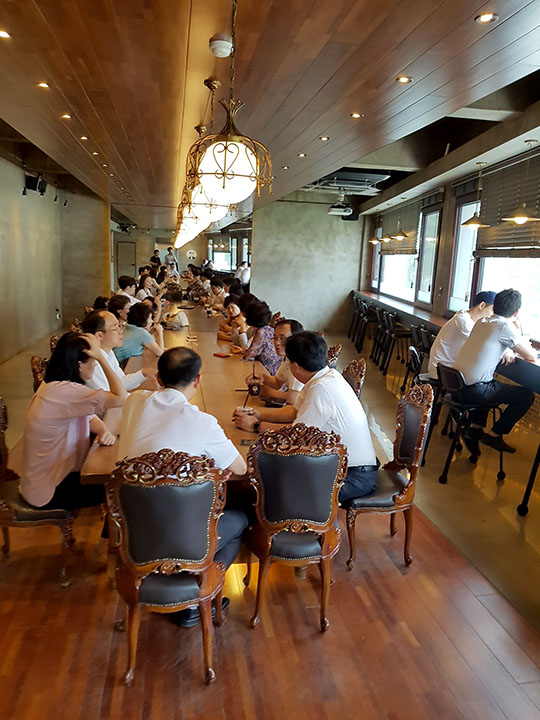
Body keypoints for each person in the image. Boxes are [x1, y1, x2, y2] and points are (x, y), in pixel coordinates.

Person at [117, 346, 248, 625]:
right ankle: (195, 600)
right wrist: (209, 470)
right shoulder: (202, 422)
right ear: (197, 380)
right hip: (184, 536)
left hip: (133, 532)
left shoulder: (134, 402)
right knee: (239, 521)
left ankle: (167, 585)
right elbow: (240, 468)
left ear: (158, 379)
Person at [233, 331, 378, 501]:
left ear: (295, 366)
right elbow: (294, 412)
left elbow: (295, 437)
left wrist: (255, 426)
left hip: (352, 477)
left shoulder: (321, 388)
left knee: (268, 482)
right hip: (344, 467)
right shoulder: (325, 376)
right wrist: (259, 415)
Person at [20, 332, 127, 509]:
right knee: (122, 486)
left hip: (43, 479)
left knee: (114, 468)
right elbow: (120, 398)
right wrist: (102, 358)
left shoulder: (54, 386)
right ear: (79, 365)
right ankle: (108, 528)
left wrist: (103, 430)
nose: (95, 366)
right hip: (50, 488)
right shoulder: (65, 392)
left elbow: (89, 418)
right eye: (93, 361)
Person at [453, 288, 536, 454]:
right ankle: (494, 434)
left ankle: (475, 429)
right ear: (516, 312)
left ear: (494, 306)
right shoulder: (504, 326)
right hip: (474, 391)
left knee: (490, 384)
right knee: (526, 396)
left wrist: (508, 349)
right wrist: (512, 344)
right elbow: (531, 356)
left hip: (456, 386)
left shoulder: (482, 321)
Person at [81, 310, 156, 391]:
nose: (121, 331)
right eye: (115, 327)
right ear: (99, 335)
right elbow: (109, 395)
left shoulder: (109, 352)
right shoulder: (92, 361)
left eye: (119, 326)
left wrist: (144, 373)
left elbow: (120, 382)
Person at [428, 291, 496, 378]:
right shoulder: (463, 321)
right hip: (441, 372)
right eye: (492, 310)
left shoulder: (464, 316)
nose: (492, 315)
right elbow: (480, 344)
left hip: (444, 368)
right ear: (482, 305)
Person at [246, 318, 304, 404]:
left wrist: (267, 391)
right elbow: (277, 382)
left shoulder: (300, 361)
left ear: (297, 339)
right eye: (275, 338)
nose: (277, 343)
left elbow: (293, 398)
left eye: (283, 338)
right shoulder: (287, 358)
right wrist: (262, 377)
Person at [242, 301, 281, 375]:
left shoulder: (260, 332)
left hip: (267, 372)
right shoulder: (270, 329)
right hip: (275, 370)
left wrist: (244, 352)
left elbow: (249, 356)